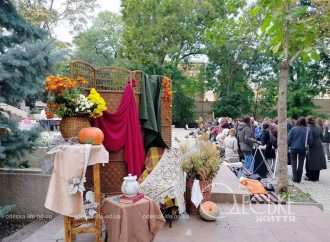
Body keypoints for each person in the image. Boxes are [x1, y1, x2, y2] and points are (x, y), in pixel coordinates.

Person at [305, 117, 327, 181]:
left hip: (313, 147)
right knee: (318, 162)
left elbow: (310, 140)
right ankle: (316, 178)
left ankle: (311, 177)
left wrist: (308, 146)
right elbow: (322, 137)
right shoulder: (319, 127)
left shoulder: (309, 129)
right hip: (319, 146)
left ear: (308, 123)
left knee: (311, 162)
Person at [288, 117, 309, 183]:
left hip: (293, 148)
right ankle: (299, 178)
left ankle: (295, 178)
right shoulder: (307, 130)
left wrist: (289, 145)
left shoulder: (293, 129)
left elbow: (289, 139)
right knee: (301, 163)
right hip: (303, 148)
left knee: (293, 163)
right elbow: (310, 140)